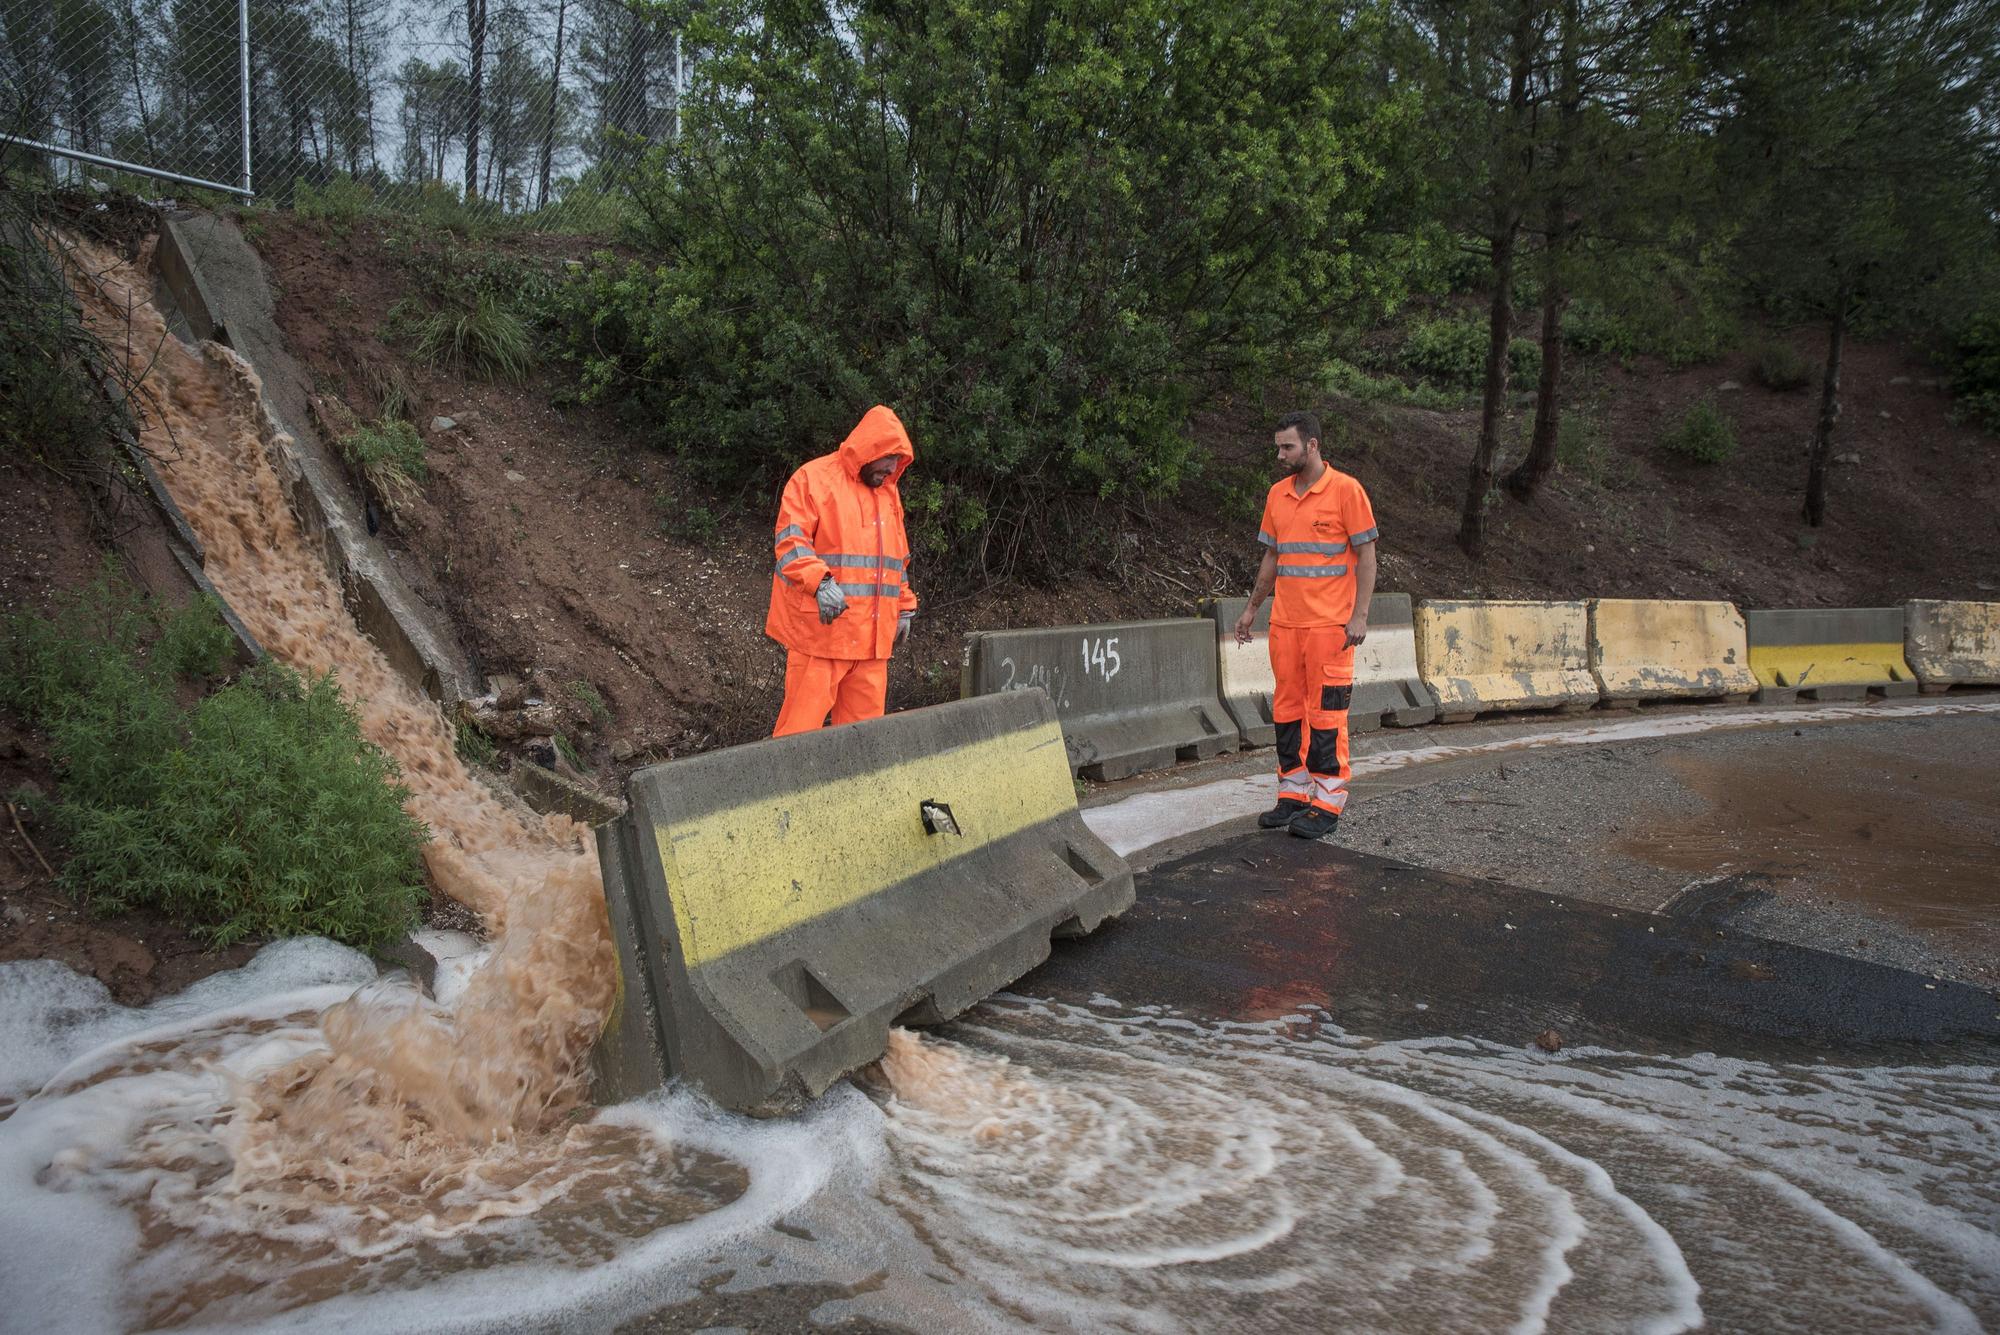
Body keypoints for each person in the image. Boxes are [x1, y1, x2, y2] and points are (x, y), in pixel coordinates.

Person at [1233, 411, 1378, 839]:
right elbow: (1272, 559)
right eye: (1278, 447)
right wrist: (1250, 609)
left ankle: (1328, 800)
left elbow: (1367, 557)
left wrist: (1360, 616)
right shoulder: (1278, 495)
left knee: (1327, 714)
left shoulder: (1346, 491)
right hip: (1286, 625)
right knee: (1288, 710)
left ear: (1312, 445)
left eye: (1288, 447)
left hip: (1330, 628)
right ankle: (1293, 793)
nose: (1280, 454)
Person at [766, 404, 920, 735]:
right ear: (870, 449)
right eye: (889, 458)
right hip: (821, 637)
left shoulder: (887, 493)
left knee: (863, 745)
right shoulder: (812, 479)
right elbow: (791, 542)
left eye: (899, 460)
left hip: (871, 644)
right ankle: (788, 788)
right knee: (797, 736)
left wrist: (904, 608)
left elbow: (896, 559)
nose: (893, 468)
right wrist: (820, 583)